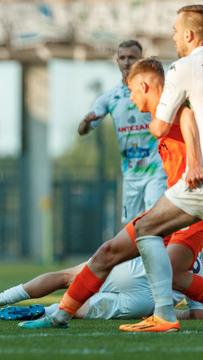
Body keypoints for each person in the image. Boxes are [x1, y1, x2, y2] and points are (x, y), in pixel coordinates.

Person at [17, 57, 203, 332]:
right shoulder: (158, 117)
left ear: (143, 86)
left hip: (188, 203)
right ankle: (59, 316)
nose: (130, 97)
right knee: (116, 254)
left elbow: (186, 114)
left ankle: (161, 317)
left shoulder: (171, 105)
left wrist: (195, 162)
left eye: (131, 91)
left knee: (133, 252)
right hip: (178, 202)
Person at [121, 5, 203, 331]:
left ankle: (164, 316)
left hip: (193, 184)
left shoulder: (182, 67)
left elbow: (164, 123)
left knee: (144, 232)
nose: (172, 37)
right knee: (174, 269)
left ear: (188, 35)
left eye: (174, 31)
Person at [78, 40, 167, 224]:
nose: (127, 62)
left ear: (140, 60)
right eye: (122, 58)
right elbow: (82, 131)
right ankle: (139, 255)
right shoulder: (110, 97)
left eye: (132, 58)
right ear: (117, 61)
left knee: (154, 222)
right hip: (131, 174)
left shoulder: (156, 91)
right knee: (131, 227)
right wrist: (86, 121)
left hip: (156, 170)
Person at [0, 255, 203, 321]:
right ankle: (46, 311)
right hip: (149, 300)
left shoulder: (186, 220)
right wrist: (160, 311)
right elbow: (197, 314)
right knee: (81, 309)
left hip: (131, 269)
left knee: (66, 277)